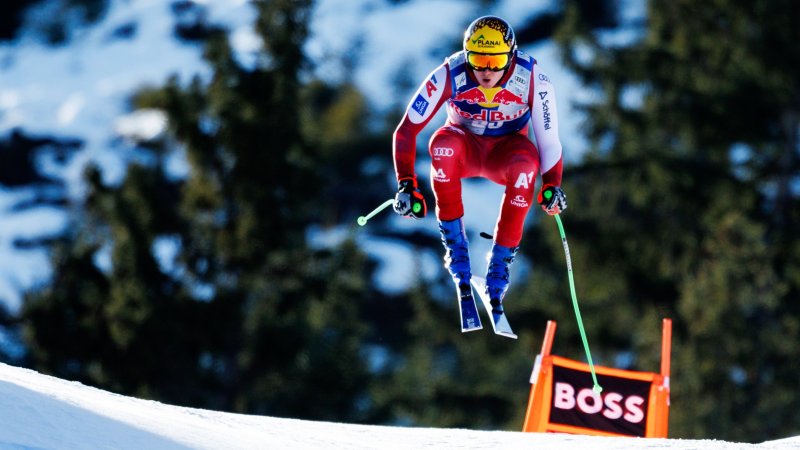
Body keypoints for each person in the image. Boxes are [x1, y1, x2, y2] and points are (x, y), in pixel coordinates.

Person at [391, 15, 567, 316]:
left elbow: (549, 141)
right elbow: (406, 130)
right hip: (465, 149)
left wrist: (552, 185)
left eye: (495, 61)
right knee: (443, 145)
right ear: (466, 54)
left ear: (511, 57)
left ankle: (500, 265)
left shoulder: (534, 78)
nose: (486, 71)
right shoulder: (451, 72)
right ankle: (455, 247)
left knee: (527, 165)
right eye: (478, 59)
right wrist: (406, 183)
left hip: (506, 153)